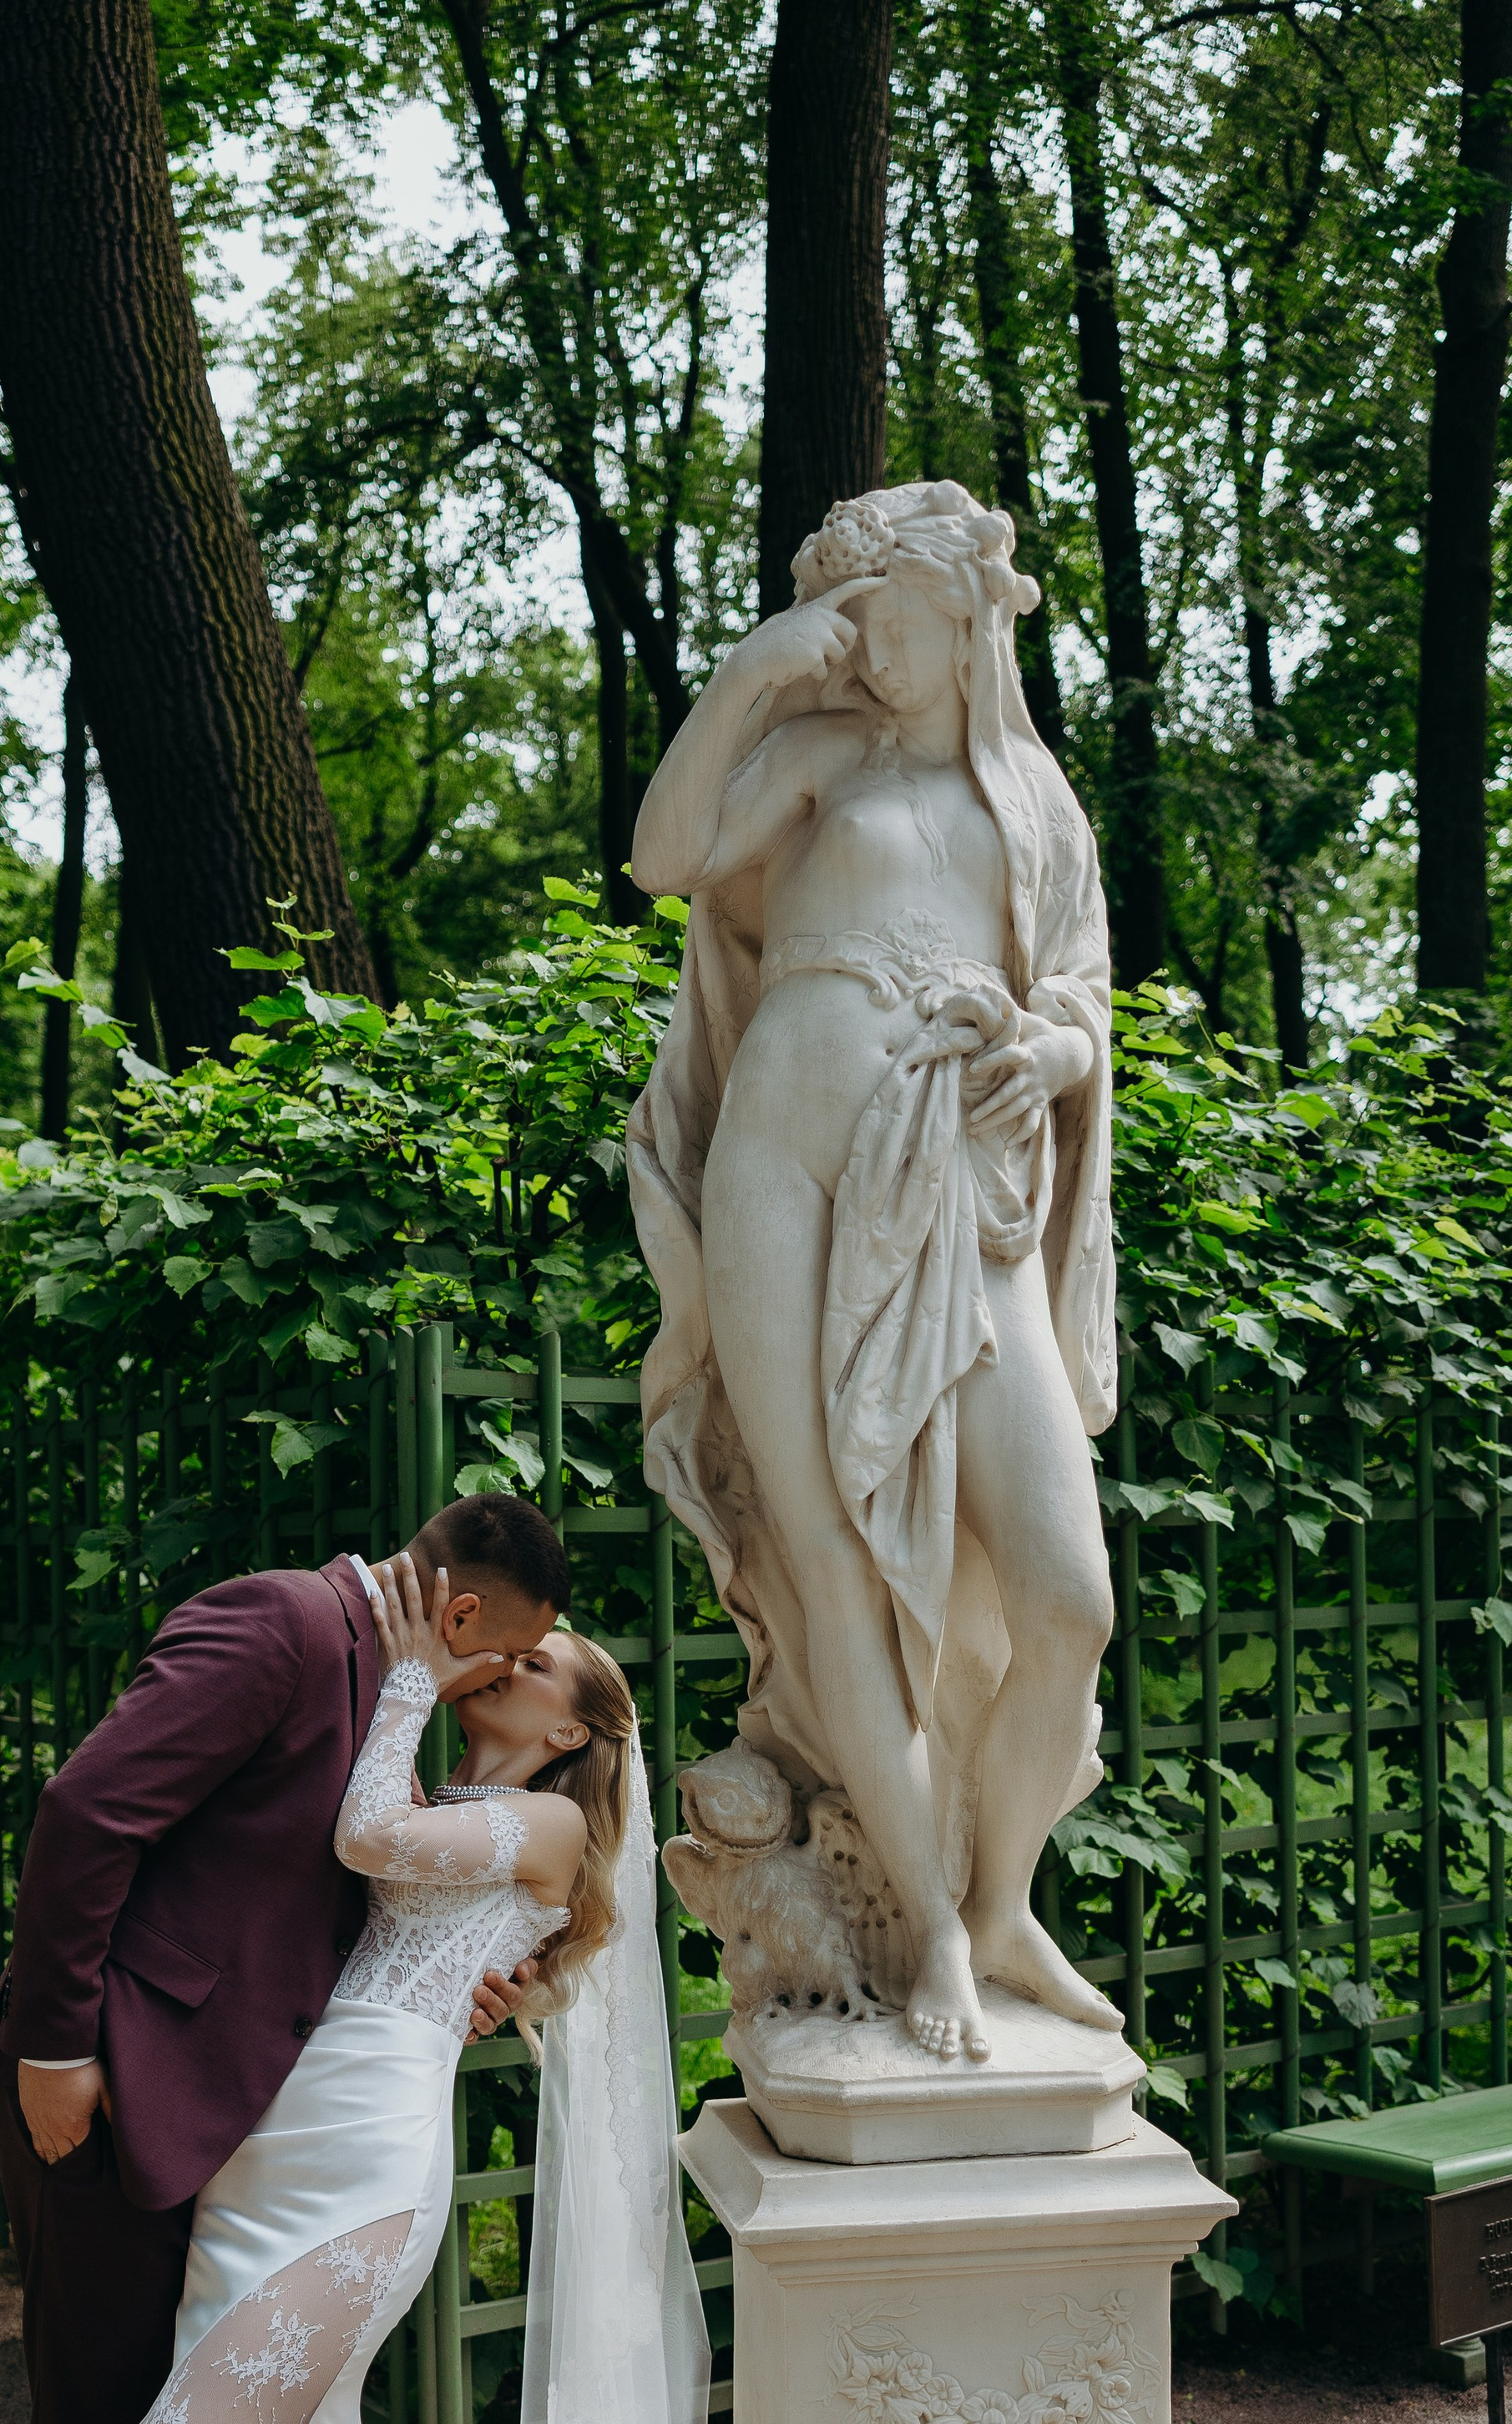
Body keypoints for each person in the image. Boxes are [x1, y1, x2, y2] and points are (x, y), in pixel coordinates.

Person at [0, 1495, 569, 2424]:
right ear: (465, 1617)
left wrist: (481, 1979)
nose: (491, 1687)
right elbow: (89, 1808)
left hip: (228, 2124)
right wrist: (56, 2043)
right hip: (107, 2090)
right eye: (507, 1660)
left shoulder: (392, 1688)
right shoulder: (285, 1623)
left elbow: (328, 1879)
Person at [104, 1555, 707, 2424]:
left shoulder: (550, 1824)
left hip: (363, 2168)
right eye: (521, 1645)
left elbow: (367, 1843)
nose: (518, 1660)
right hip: (271, 2147)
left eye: (545, 1664)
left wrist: (407, 1684)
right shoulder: (474, 1804)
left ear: (569, 1730)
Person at [626, 478, 1121, 2062]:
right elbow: (664, 856)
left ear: (965, 614)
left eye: (882, 613)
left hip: (961, 1204)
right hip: (784, 1159)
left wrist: (1043, 1044)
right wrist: (756, 673)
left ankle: (998, 1906)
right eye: (842, 614)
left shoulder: (1036, 810)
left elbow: (1086, 1011)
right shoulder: (816, 760)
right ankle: (935, 1949)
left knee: (1068, 1598)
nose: (863, 641)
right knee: (832, 1556)